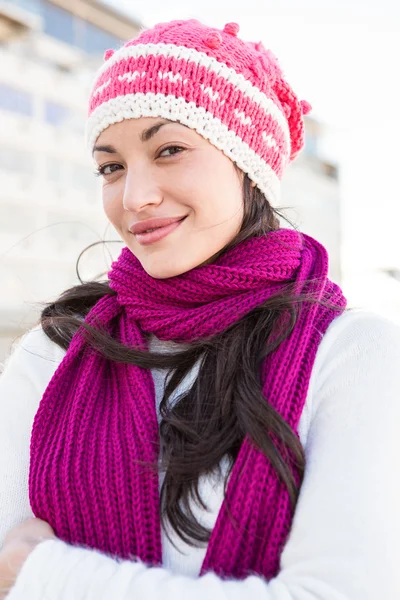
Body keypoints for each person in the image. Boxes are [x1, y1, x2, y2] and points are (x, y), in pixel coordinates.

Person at [0, 18, 400, 600]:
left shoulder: (354, 354)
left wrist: (43, 576)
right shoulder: (55, 351)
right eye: (111, 167)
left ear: (249, 167)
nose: (134, 197)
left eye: (169, 150)